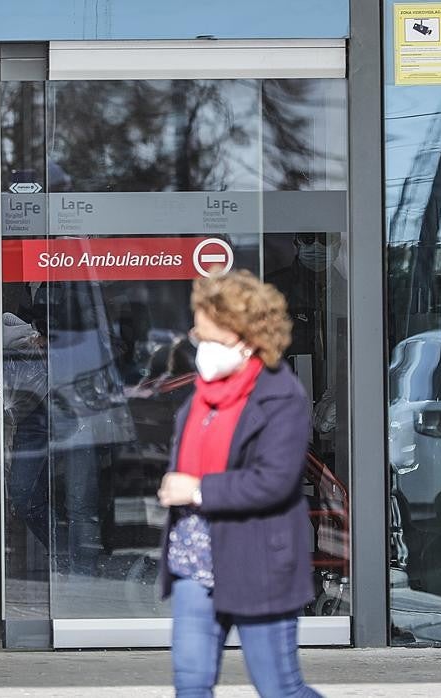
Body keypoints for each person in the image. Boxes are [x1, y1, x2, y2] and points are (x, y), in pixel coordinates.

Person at [156, 270, 321, 697]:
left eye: (209, 335)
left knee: (280, 688)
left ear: (246, 337)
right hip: (195, 559)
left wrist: (195, 489)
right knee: (191, 685)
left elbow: (275, 482)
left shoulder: (281, 396)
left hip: (257, 560)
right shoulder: (203, 392)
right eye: (198, 333)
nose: (199, 344)